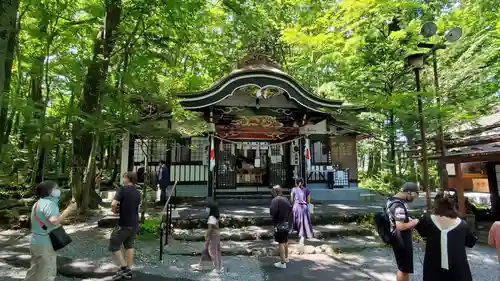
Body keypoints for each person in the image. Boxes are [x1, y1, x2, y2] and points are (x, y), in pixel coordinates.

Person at [415, 191, 477, 281]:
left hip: (433, 269)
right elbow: (470, 242)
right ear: (453, 205)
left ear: (435, 204)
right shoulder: (462, 224)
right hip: (458, 270)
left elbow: (422, 232)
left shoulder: (427, 220)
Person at [25, 181, 77, 281]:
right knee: (47, 272)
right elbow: (54, 221)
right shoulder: (50, 204)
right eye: (57, 188)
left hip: (35, 242)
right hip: (45, 243)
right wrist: (68, 211)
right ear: (50, 191)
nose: (59, 190)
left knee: (34, 271)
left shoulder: (38, 203)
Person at [109, 172, 142, 280]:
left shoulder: (122, 189)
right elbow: (137, 207)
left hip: (124, 223)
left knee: (114, 244)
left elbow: (113, 204)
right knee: (129, 245)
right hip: (135, 223)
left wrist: (114, 212)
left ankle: (124, 268)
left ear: (128, 178)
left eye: (124, 177)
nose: (123, 179)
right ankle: (129, 268)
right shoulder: (138, 192)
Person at [386, 182, 420, 281]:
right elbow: (401, 226)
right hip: (401, 239)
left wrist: (409, 219)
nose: (415, 198)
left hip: (396, 237)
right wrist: (416, 222)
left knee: (403, 267)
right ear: (408, 192)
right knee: (404, 269)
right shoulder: (398, 205)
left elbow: (397, 218)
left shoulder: (391, 200)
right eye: (415, 195)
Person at [193, 203, 223, 273]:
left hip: (212, 236)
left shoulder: (211, 218)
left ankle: (218, 268)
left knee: (213, 251)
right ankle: (200, 265)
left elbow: (210, 229)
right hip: (217, 235)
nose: (207, 209)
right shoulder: (216, 217)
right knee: (209, 250)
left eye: (208, 208)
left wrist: (206, 236)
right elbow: (215, 227)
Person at [270, 185, 292, 269]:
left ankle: (282, 263)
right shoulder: (286, 199)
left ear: (275, 192)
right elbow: (290, 210)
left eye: (272, 192)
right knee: (286, 241)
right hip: (286, 222)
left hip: (279, 223)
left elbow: (273, 212)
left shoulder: (275, 200)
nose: (272, 194)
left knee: (281, 243)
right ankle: (286, 258)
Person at [290, 178, 313, 245]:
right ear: (303, 183)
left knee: (297, 220)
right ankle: (304, 233)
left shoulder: (293, 189)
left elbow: (291, 200)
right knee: (305, 221)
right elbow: (308, 201)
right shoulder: (307, 190)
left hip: (296, 207)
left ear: (296, 183)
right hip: (304, 207)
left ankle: (298, 232)